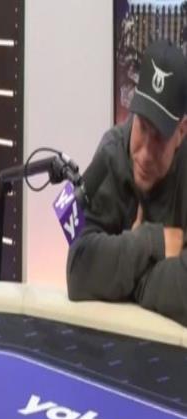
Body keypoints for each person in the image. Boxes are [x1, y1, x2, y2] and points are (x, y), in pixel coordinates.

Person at [67, 39, 187, 326]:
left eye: (159, 137)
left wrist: (131, 281)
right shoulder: (112, 152)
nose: (144, 153)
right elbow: (79, 269)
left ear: (181, 131)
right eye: (142, 127)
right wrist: (152, 242)